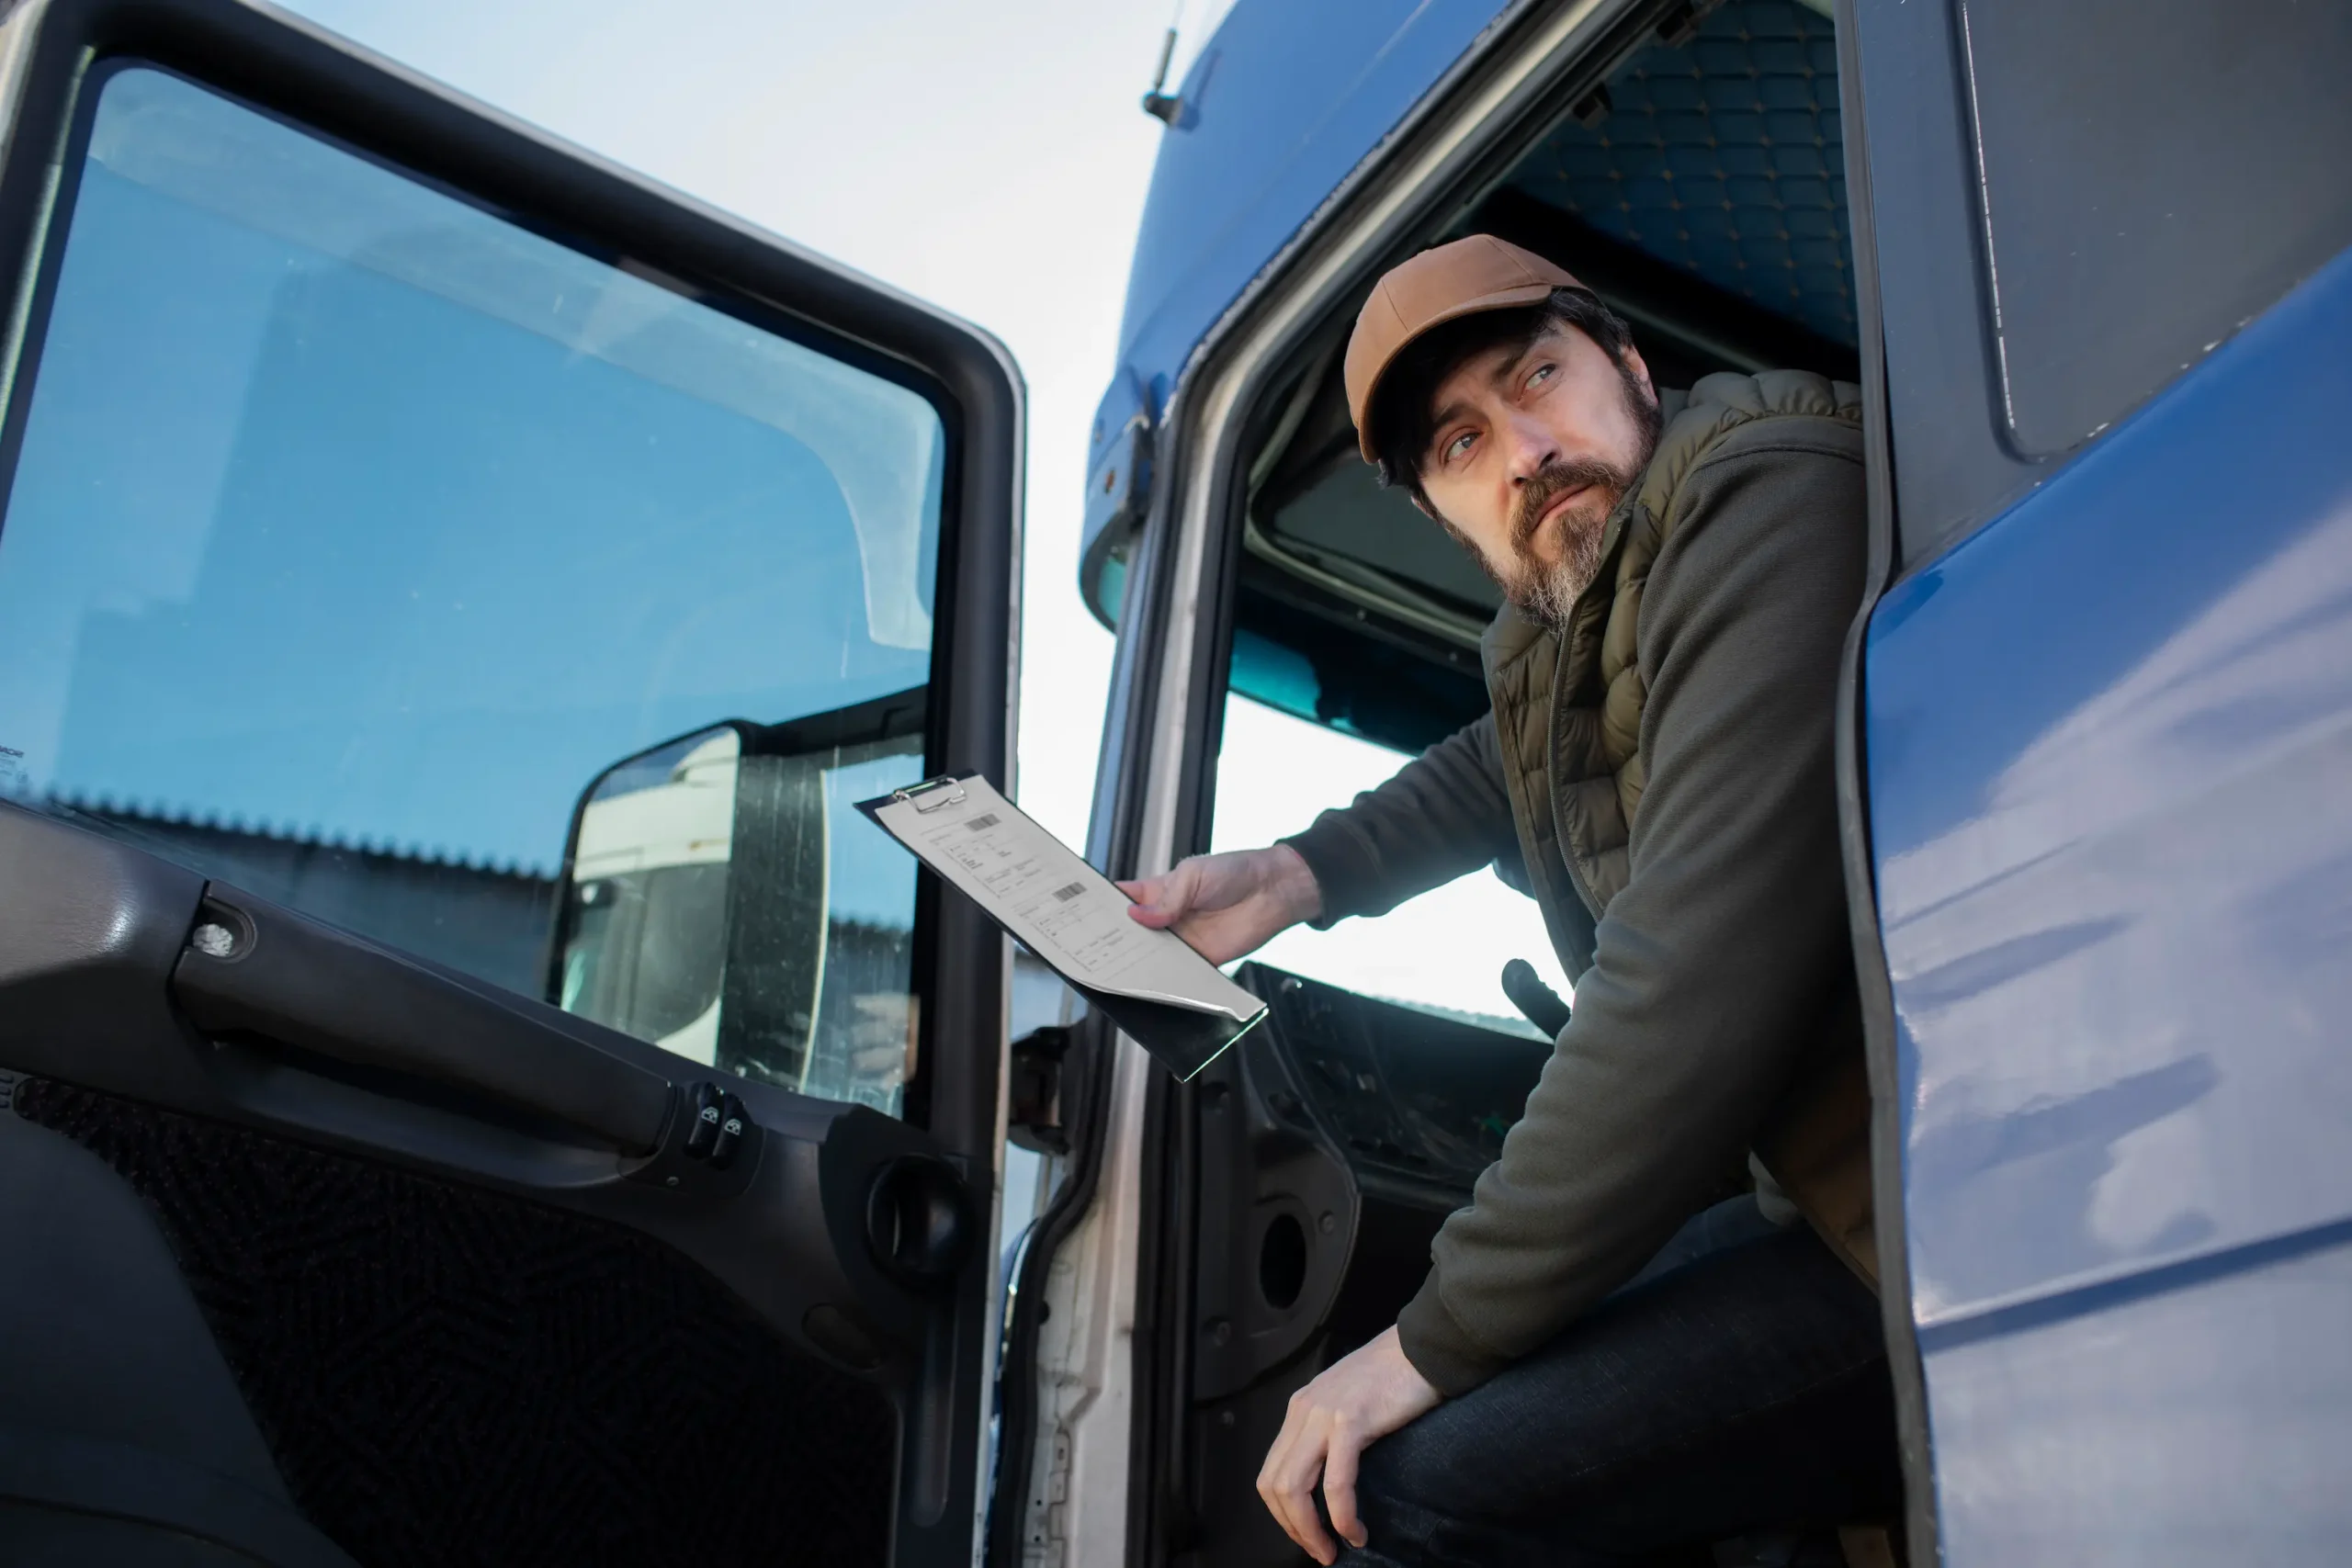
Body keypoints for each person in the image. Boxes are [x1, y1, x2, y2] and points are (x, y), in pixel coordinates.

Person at [1119, 236, 1896, 1565]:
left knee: (1407, 1475)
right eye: (1463, 444)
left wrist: (1428, 1339)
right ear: (1440, 513)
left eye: (1540, 376)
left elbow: (1688, 984)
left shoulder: (1765, 490)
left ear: (1631, 364)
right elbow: (1500, 757)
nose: (1526, 450)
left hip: (1934, 1211)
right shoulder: (1568, 616)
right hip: (1825, 1200)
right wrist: (1298, 875)